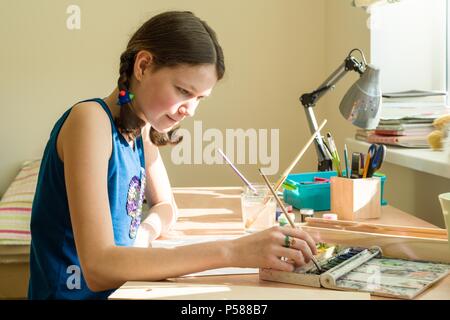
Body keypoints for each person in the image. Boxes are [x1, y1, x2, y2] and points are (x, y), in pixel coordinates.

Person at [28, 10, 317, 300]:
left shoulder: (139, 131)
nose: (189, 110)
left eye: (199, 99)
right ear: (143, 66)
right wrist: (232, 250)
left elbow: (166, 205)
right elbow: (99, 267)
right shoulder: (90, 121)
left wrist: (142, 235)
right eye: (183, 91)